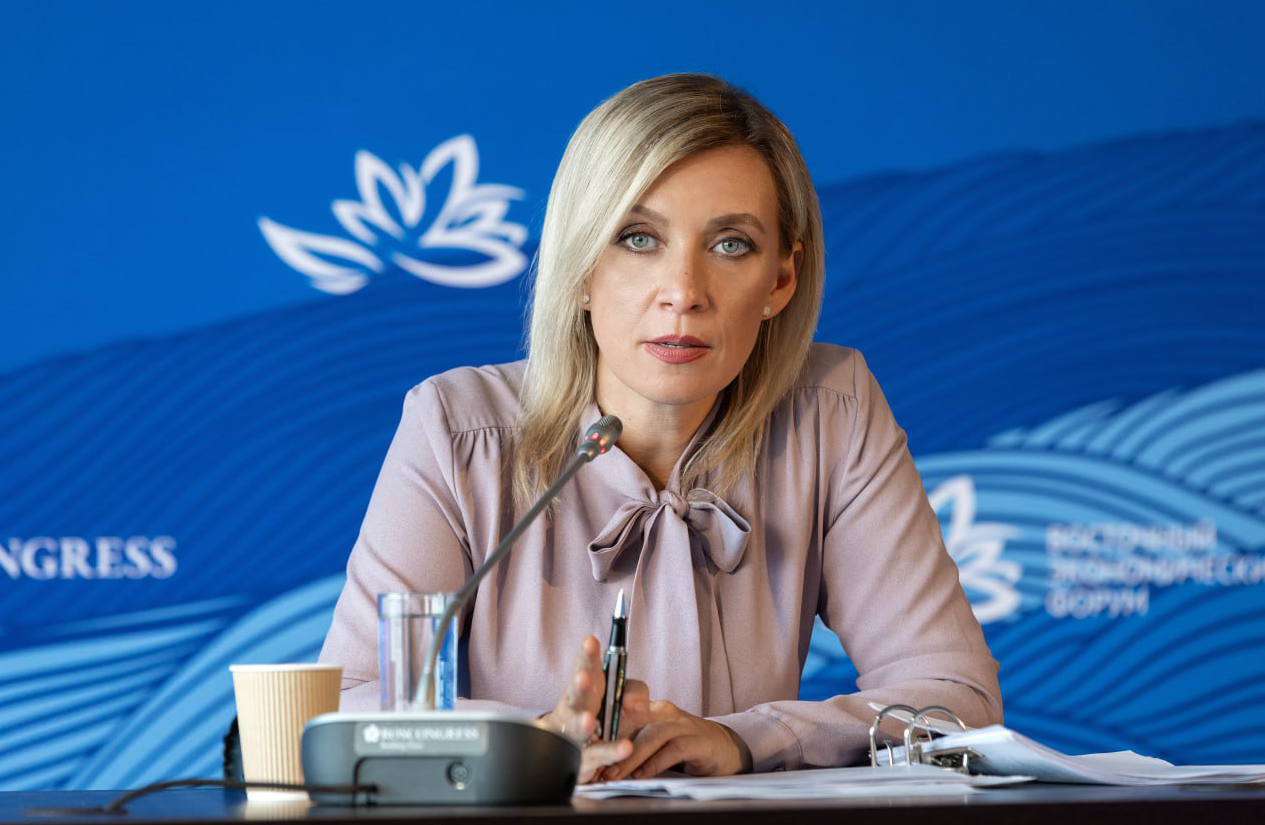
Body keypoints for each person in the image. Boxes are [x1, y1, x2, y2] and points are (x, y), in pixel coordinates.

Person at [319, 73, 1002, 781]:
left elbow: (956, 699)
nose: (684, 292)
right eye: (638, 238)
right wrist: (538, 743)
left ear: (781, 279)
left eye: (731, 244)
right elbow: (352, 704)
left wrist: (744, 739)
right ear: (579, 267)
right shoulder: (456, 431)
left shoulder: (833, 413)